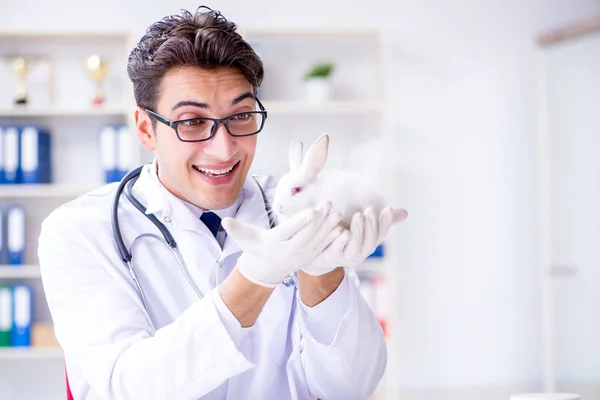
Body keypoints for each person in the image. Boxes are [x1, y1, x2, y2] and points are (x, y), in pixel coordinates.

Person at [38, 6, 405, 400]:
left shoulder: (298, 212)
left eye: (241, 115)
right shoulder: (80, 230)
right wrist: (255, 278)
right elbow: (125, 388)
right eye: (192, 122)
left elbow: (350, 387)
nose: (224, 148)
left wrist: (323, 274)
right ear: (146, 129)